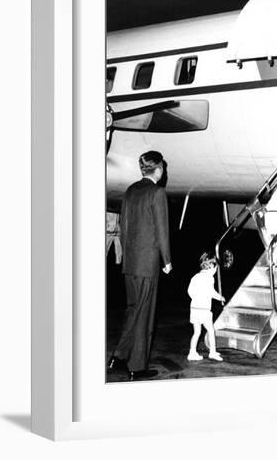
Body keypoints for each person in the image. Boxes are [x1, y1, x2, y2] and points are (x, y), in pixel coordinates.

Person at [108, 150, 172, 381]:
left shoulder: (130, 191)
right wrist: (167, 261)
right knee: (145, 315)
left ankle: (118, 356)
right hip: (147, 265)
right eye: (163, 168)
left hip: (131, 264)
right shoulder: (157, 193)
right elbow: (162, 231)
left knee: (132, 311)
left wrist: (127, 256)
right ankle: (137, 367)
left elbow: (124, 229)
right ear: (159, 169)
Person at [187, 252, 225, 362]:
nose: (216, 271)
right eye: (216, 268)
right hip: (204, 310)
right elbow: (211, 292)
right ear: (212, 267)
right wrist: (220, 297)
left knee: (196, 332)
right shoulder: (209, 278)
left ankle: (192, 352)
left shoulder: (195, 277)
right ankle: (212, 352)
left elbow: (189, 291)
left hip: (194, 309)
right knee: (211, 330)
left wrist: (196, 298)